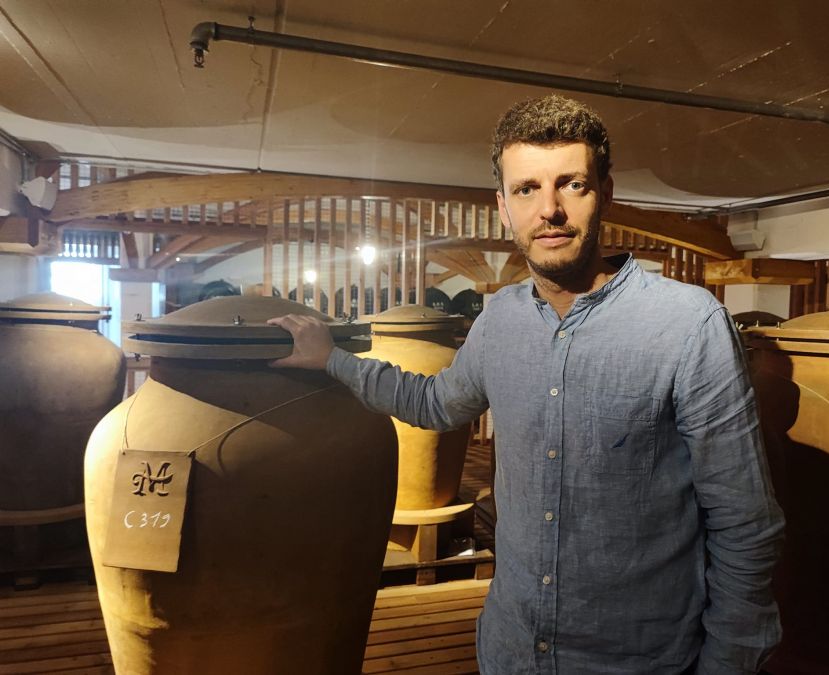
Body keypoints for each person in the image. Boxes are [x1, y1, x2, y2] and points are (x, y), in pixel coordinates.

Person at [268, 94, 784, 675]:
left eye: (572, 185)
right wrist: (333, 360)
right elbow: (435, 403)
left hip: (638, 659)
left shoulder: (688, 323)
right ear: (503, 206)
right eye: (526, 189)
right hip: (512, 650)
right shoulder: (500, 319)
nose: (550, 210)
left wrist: (729, 662)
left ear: (605, 193)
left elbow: (744, 520)